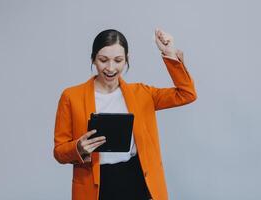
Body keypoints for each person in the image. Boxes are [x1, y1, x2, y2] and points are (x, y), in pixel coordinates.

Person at [53, 28, 197, 200]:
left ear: (127, 60)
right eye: (103, 60)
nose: (111, 68)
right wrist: (78, 148)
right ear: (93, 59)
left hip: (136, 180)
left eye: (118, 60)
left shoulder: (142, 94)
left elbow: (186, 94)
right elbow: (59, 151)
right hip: (95, 185)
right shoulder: (71, 97)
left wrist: (169, 54)